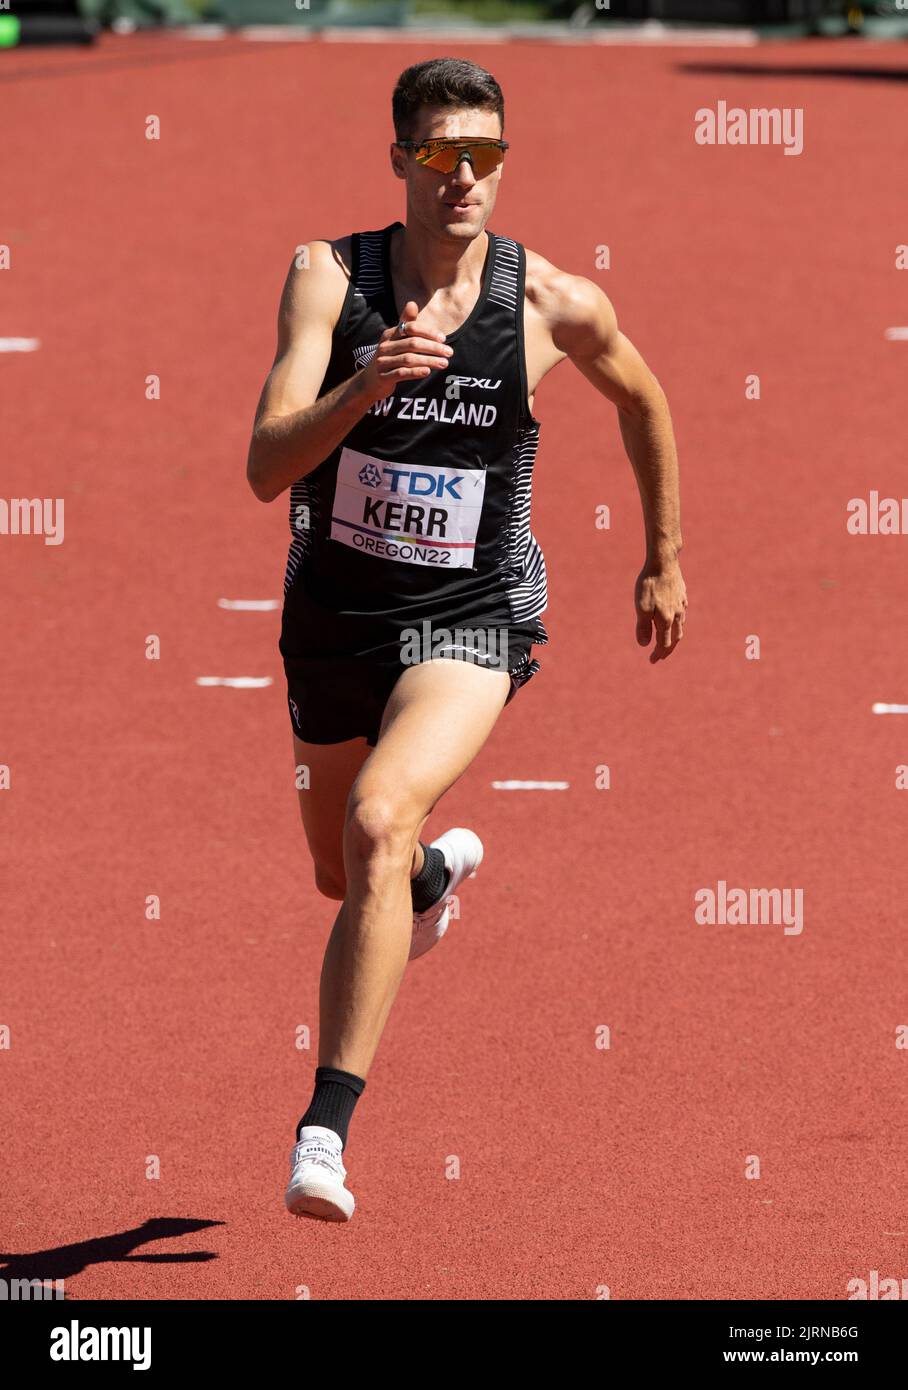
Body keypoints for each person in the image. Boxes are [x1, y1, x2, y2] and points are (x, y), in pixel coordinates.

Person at [246, 57, 687, 1222]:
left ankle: (322, 1136)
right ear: (398, 158)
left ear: (503, 164)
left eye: (482, 155)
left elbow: (642, 400)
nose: (461, 176)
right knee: (343, 873)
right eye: (438, 152)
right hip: (333, 615)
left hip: (472, 615)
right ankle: (433, 883)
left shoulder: (549, 303)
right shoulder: (327, 278)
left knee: (381, 817)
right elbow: (262, 467)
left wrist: (663, 556)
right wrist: (363, 386)